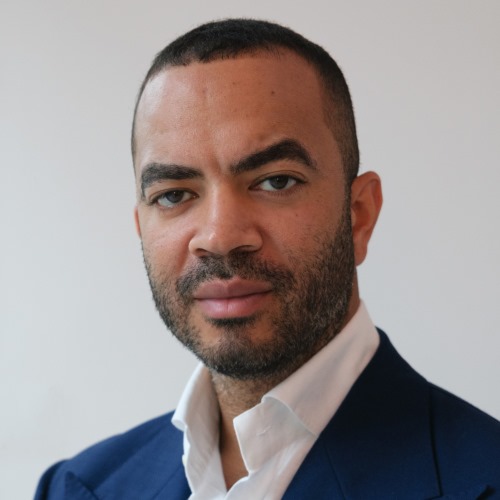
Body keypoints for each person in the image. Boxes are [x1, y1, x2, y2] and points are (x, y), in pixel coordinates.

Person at [35, 19, 500, 499]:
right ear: (141, 225)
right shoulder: (74, 488)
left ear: (359, 215)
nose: (219, 238)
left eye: (276, 181)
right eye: (174, 194)